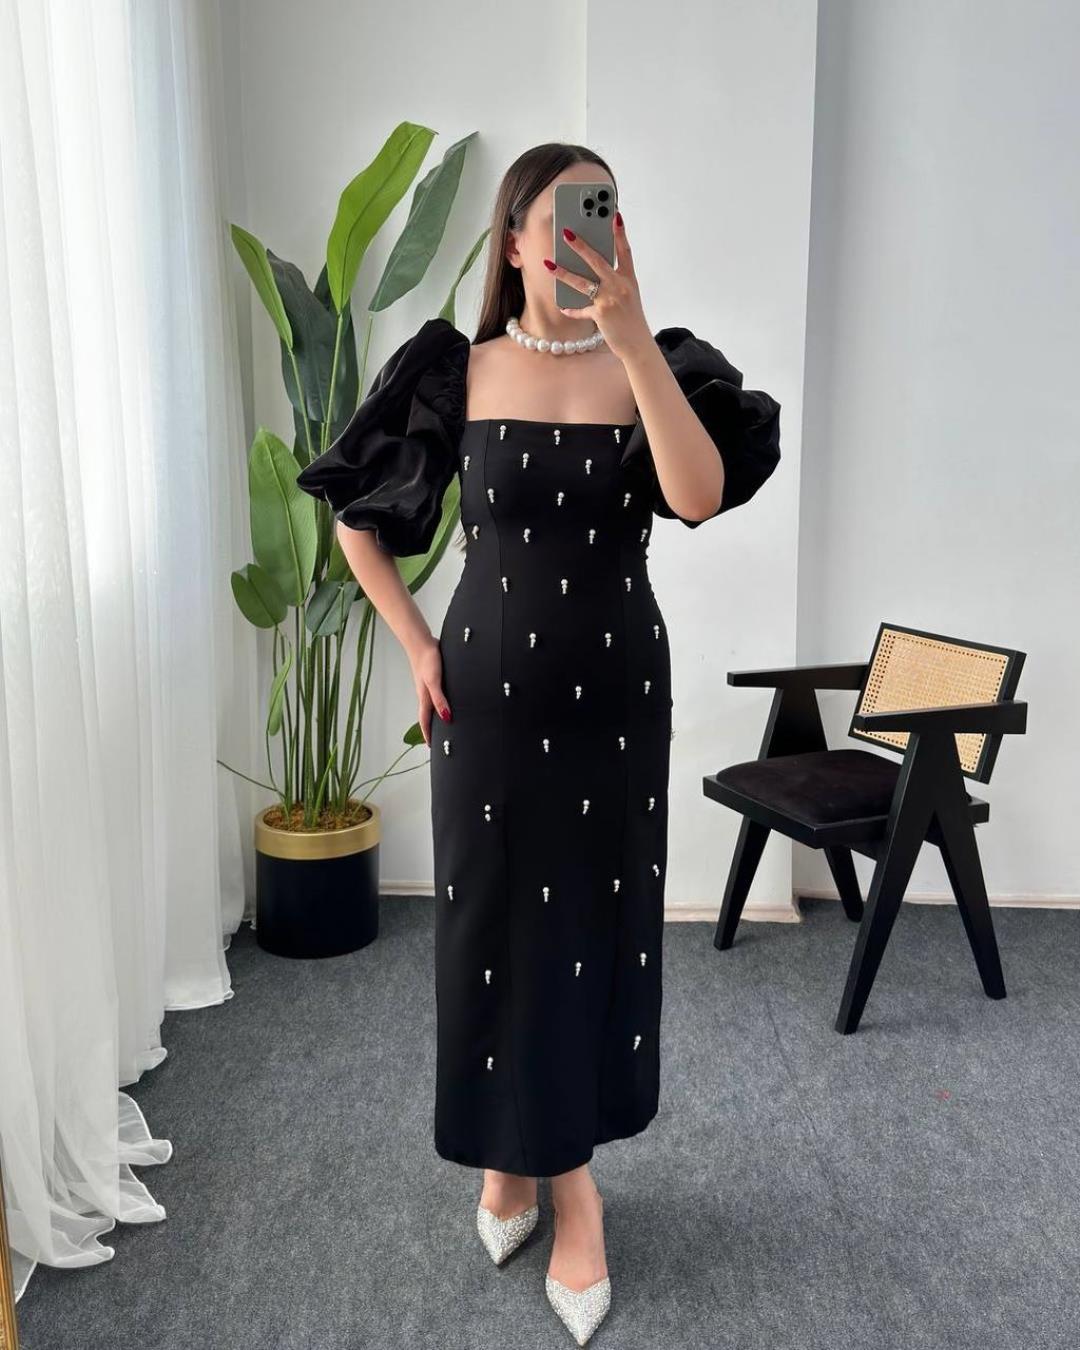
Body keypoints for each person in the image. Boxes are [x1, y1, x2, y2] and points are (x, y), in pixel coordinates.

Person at [296, 142, 781, 1346]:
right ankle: (513, 1158)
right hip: (488, 707)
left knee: (588, 935)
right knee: (493, 930)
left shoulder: (657, 365)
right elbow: (358, 520)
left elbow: (698, 495)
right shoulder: (455, 370)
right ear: (513, 240)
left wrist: (631, 338)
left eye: (599, 215)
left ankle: (574, 1190)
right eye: (557, 219)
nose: (579, 240)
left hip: (615, 701)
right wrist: (416, 643)